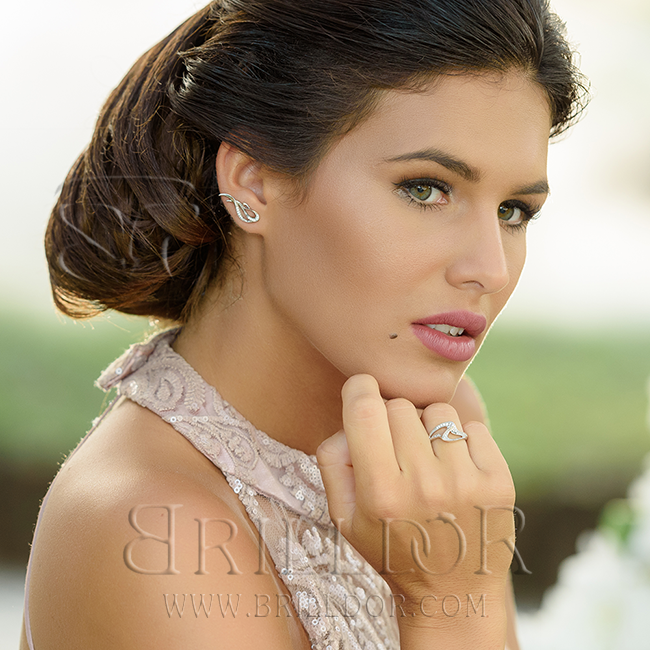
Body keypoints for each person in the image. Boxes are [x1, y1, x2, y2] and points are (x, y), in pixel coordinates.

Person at [22, 1, 587, 648]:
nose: (489, 268)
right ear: (253, 182)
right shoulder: (150, 528)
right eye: (425, 188)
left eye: (514, 210)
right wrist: (453, 600)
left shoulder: (431, 434)